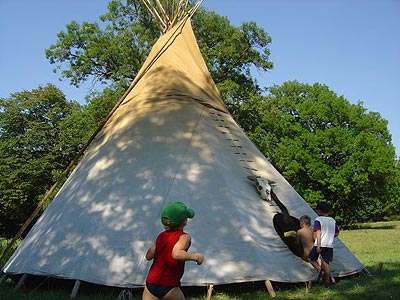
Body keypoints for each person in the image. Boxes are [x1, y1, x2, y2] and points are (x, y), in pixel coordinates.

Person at [142, 201, 204, 300]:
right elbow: (176, 254)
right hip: (169, 284)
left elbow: (148, 256)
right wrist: (196, 257)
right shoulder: (184, 237)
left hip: (151, 283)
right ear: (185, 221)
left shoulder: (161, 236)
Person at [308, 202, 339, 288]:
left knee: (311, 258)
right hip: (329, 244)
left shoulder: (318, 220)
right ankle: (327, 281)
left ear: (318, 210)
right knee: (326, 263)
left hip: (320, 243)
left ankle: (320, 271)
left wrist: (318, 245)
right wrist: (329, 237)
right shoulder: (333, 220)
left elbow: (318, 232)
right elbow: (336, 233)